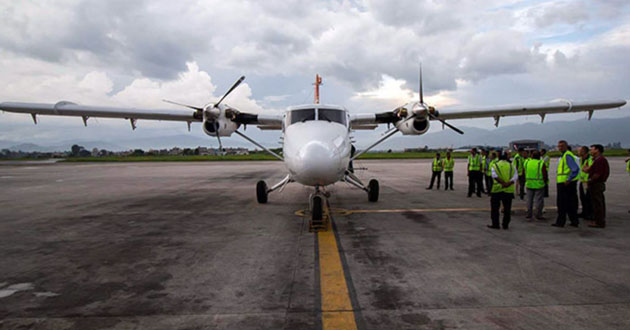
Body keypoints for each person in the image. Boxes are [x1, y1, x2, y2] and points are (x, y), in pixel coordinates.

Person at [552, 140, 580, 228]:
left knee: (562, 203)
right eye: (559, 146)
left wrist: (569, 179)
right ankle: (574, 221)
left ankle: (561, 222)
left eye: (562, 146)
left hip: (565, 183)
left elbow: (575, 169)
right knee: (570, 203)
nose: (560, 148)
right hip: (565, 182)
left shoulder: (567, 155)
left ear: (566, 146)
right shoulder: (564, 155)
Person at [488, 151, 517, 230]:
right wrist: (507, 184)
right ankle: (505, 224)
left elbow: (494, 176)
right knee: (507, 209)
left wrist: (502, 183)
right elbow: (515, 177)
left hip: (497, 189)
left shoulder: (495, 165)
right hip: (508, 190)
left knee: (495, 208)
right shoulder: (511, 166)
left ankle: (495, 224)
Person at [584, 144, 609, 228]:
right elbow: (588, 170)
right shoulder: (597, 160)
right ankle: (599, 220)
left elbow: (597, 174)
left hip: (597, 184)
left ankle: (599, 222)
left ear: (597, 150)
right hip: (597, 184)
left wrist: (590, 181)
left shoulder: (600, 160)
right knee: (598, 202)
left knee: (597, 203)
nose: (591, 151)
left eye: (592, 149)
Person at [525, 150, 547, 220]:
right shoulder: (540, 163)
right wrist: (545, 182)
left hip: (529, 183)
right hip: (539, 184)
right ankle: (538, 215)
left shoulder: (527, 162)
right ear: (539, 156)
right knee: (538, 200)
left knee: (529, 200)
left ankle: (529, 214)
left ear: (532, 156)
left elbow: (523, 171)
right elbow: (544, 174)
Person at [577, 146, 593, 220]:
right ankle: (584, 212)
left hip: (588, 181)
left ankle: (590, 213)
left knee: (589, 198)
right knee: (583, 198)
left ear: (584, 152)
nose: (578, 152)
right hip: (582, 181)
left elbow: (591, 169)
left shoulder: (590, 159)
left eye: (579, 151)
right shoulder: (580, 159)